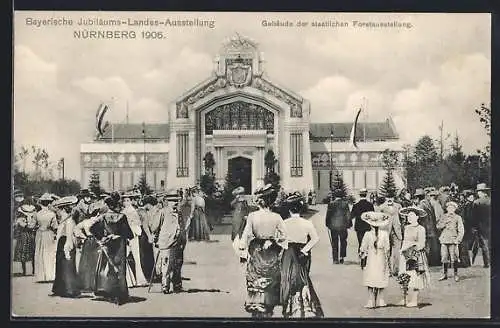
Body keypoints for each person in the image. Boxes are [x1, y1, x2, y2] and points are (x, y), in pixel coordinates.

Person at [239, 184, 287, 318]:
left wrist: (242, 253)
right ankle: (268, 307)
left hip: (256, 249)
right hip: (271, 249)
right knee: (270, 276)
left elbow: (246, 235)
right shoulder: (277, 217)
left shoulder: (252, 216)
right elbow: (284, 236)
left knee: (256, 275)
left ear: (259, 201)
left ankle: (256, 306)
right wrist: (273, 240)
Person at [280, 194, 323, 318]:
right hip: (302, 253)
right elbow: (315, 238)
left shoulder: (284, 223)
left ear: (289, 209)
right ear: (300, 209)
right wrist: (305, 250)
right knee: (302, 276)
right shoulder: (307, 223)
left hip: (288, 253)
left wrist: (284, 245)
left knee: (288, 277)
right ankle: (304, 305)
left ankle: (290, 306)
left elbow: (279, 239)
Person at [88, 192, 134, 305]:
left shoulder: (103, 217)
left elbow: (92, 228)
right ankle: (121, 295)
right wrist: (119, 235)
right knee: (120, 268)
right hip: (120, 244)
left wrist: (102, 237)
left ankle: (111, 293)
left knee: (110, 268)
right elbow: (130, 234)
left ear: (108, 205)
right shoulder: (122, 217)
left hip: (108, 244)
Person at [398, 206, 431, 307]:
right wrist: (403, 250)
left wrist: (412, 249)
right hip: (405, 254)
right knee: (404, 275)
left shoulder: (421, 229)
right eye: (408, 216)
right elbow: (405, 240)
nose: (409, 218)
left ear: (417, 217)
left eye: (412, 216)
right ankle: (405, 298)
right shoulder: (407, 228)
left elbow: (422, 243)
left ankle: (414, 299)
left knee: (415, 276)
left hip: (415, 255)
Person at [358, 211, 391, 309]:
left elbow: (363, 248)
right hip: (381, 257)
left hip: (371, 258)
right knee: (381, 276)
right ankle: (381, 299)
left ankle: (370, 301)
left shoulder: (367, 234)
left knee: (371, 277)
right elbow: (387, 248)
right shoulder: (384, 234)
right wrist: (387, 258)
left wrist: (362, 254)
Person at [50, 196, 81, 298]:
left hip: (66, 244)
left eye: (59, 209)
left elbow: (68, 235)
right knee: (61, 266)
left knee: (67, 266)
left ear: (63, 209)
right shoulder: (65, 220)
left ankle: (69, 289)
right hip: (61, 243)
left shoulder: (69, 221)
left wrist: (67, 248)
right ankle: (60, 288)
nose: (57, 212)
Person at [74, 201, 107, 292]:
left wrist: (83, 236)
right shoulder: (98, 220)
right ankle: (96, 283)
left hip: (88, 241)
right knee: (96, 262)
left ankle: (86, 284)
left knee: (86, 263)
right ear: (97, 212)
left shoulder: (85, 221)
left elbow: (76, 229)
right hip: (96, 241)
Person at [155, 196, 181, 294]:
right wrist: (156, 238)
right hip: (165, 242)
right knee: (166, 264)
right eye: (172, 201)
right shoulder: (163, 212)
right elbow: (155, 226)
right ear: (167, 202)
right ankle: (165, 286)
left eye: (176, 201)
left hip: (176, 242)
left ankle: (175, 285)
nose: (175, 203)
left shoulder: (178, 212)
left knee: (175, 264)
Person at [122, 193, 148, 287]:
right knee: (124, 257)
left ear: (131, 201)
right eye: (124, 201)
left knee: (136, 258)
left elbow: (138, 224)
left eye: (128, 200)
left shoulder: (133, 211)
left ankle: (140, 280)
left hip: (133, 235)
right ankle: (129, 280)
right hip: (126, 236)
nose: (126, 202)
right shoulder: (123, 211)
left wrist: (133, 232)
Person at [436, 201, 464, 282]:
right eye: (449, 208)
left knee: (454, 257)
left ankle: (456, 274)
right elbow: (438, 226)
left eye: (453, 208)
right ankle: (444, 274)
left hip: (453, 240)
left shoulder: (458, 217)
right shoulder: (443, 217)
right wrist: (444, 223)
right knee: (444, 257)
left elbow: (461, 230)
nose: (451, 209)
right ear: (447, 209)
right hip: (444, 240)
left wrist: (458, 239)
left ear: (455, 209)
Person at [34, 193, 58, 282]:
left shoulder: (37, 214)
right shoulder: (52, 214)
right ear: (48, 203)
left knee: (40, 253)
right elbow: (55, 226)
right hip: (48, 233)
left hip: (40, 233)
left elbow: (33, 225)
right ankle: (49, 275)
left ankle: (41, 276)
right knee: (49, 253)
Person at [378, 191, 402, 276]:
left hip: (397, 231)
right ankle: (387, 270)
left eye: (391, 197)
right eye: (388, 198)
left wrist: (401, 228)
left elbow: (402, 218)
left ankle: (396, 270)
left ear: (394, 198)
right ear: (385, 198)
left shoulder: (398, 206)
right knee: (386, 251)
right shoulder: (381, 207)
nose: (390, 199)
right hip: (385, 231)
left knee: (397, 251)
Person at [325, 188, 351, 264]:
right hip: (343, 226)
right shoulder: (345, 204)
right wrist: (349, 224)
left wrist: (327, 224)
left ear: (335, 196)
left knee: (334, 242)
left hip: (333, 226)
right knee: (343, 241)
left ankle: (335, 259)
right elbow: (348, 215)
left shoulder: (331, 204)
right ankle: (342, 257)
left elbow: (328, 215)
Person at [416, 188, 441, 266]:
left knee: (426, 245)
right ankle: (434, 261)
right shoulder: (428, 203)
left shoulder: (421, 205)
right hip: (431, 227)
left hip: (425, 227)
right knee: (432, 245)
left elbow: (419, 217)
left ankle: (426, 262)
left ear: (418, 197)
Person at [14, 204, 38, 276]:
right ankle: (26, 270)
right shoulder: (20, 220)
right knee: (24, 253)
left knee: (31, 252)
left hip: (27, 236)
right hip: (26, 236)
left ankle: (32, 270)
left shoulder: (24, 219)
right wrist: (33, 225)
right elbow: (28, 227)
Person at [472, 183, 490, 268]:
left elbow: (474, 217)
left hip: (481, 226)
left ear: (481, 192)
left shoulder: (477, 202)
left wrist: (474, 227)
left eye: (478, 192)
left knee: (484, 245)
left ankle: (487, 263)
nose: (478, 193)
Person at [351, 188, 375, 254]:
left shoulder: (356, 205)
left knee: (360, 242)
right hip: (367, 226)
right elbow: (373, 216)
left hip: (358, 226)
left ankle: (361, 257)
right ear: (366, 194)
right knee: (367, 242)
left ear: (360, 195)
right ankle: (365, 258)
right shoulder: (370, 205)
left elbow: (352, 216)